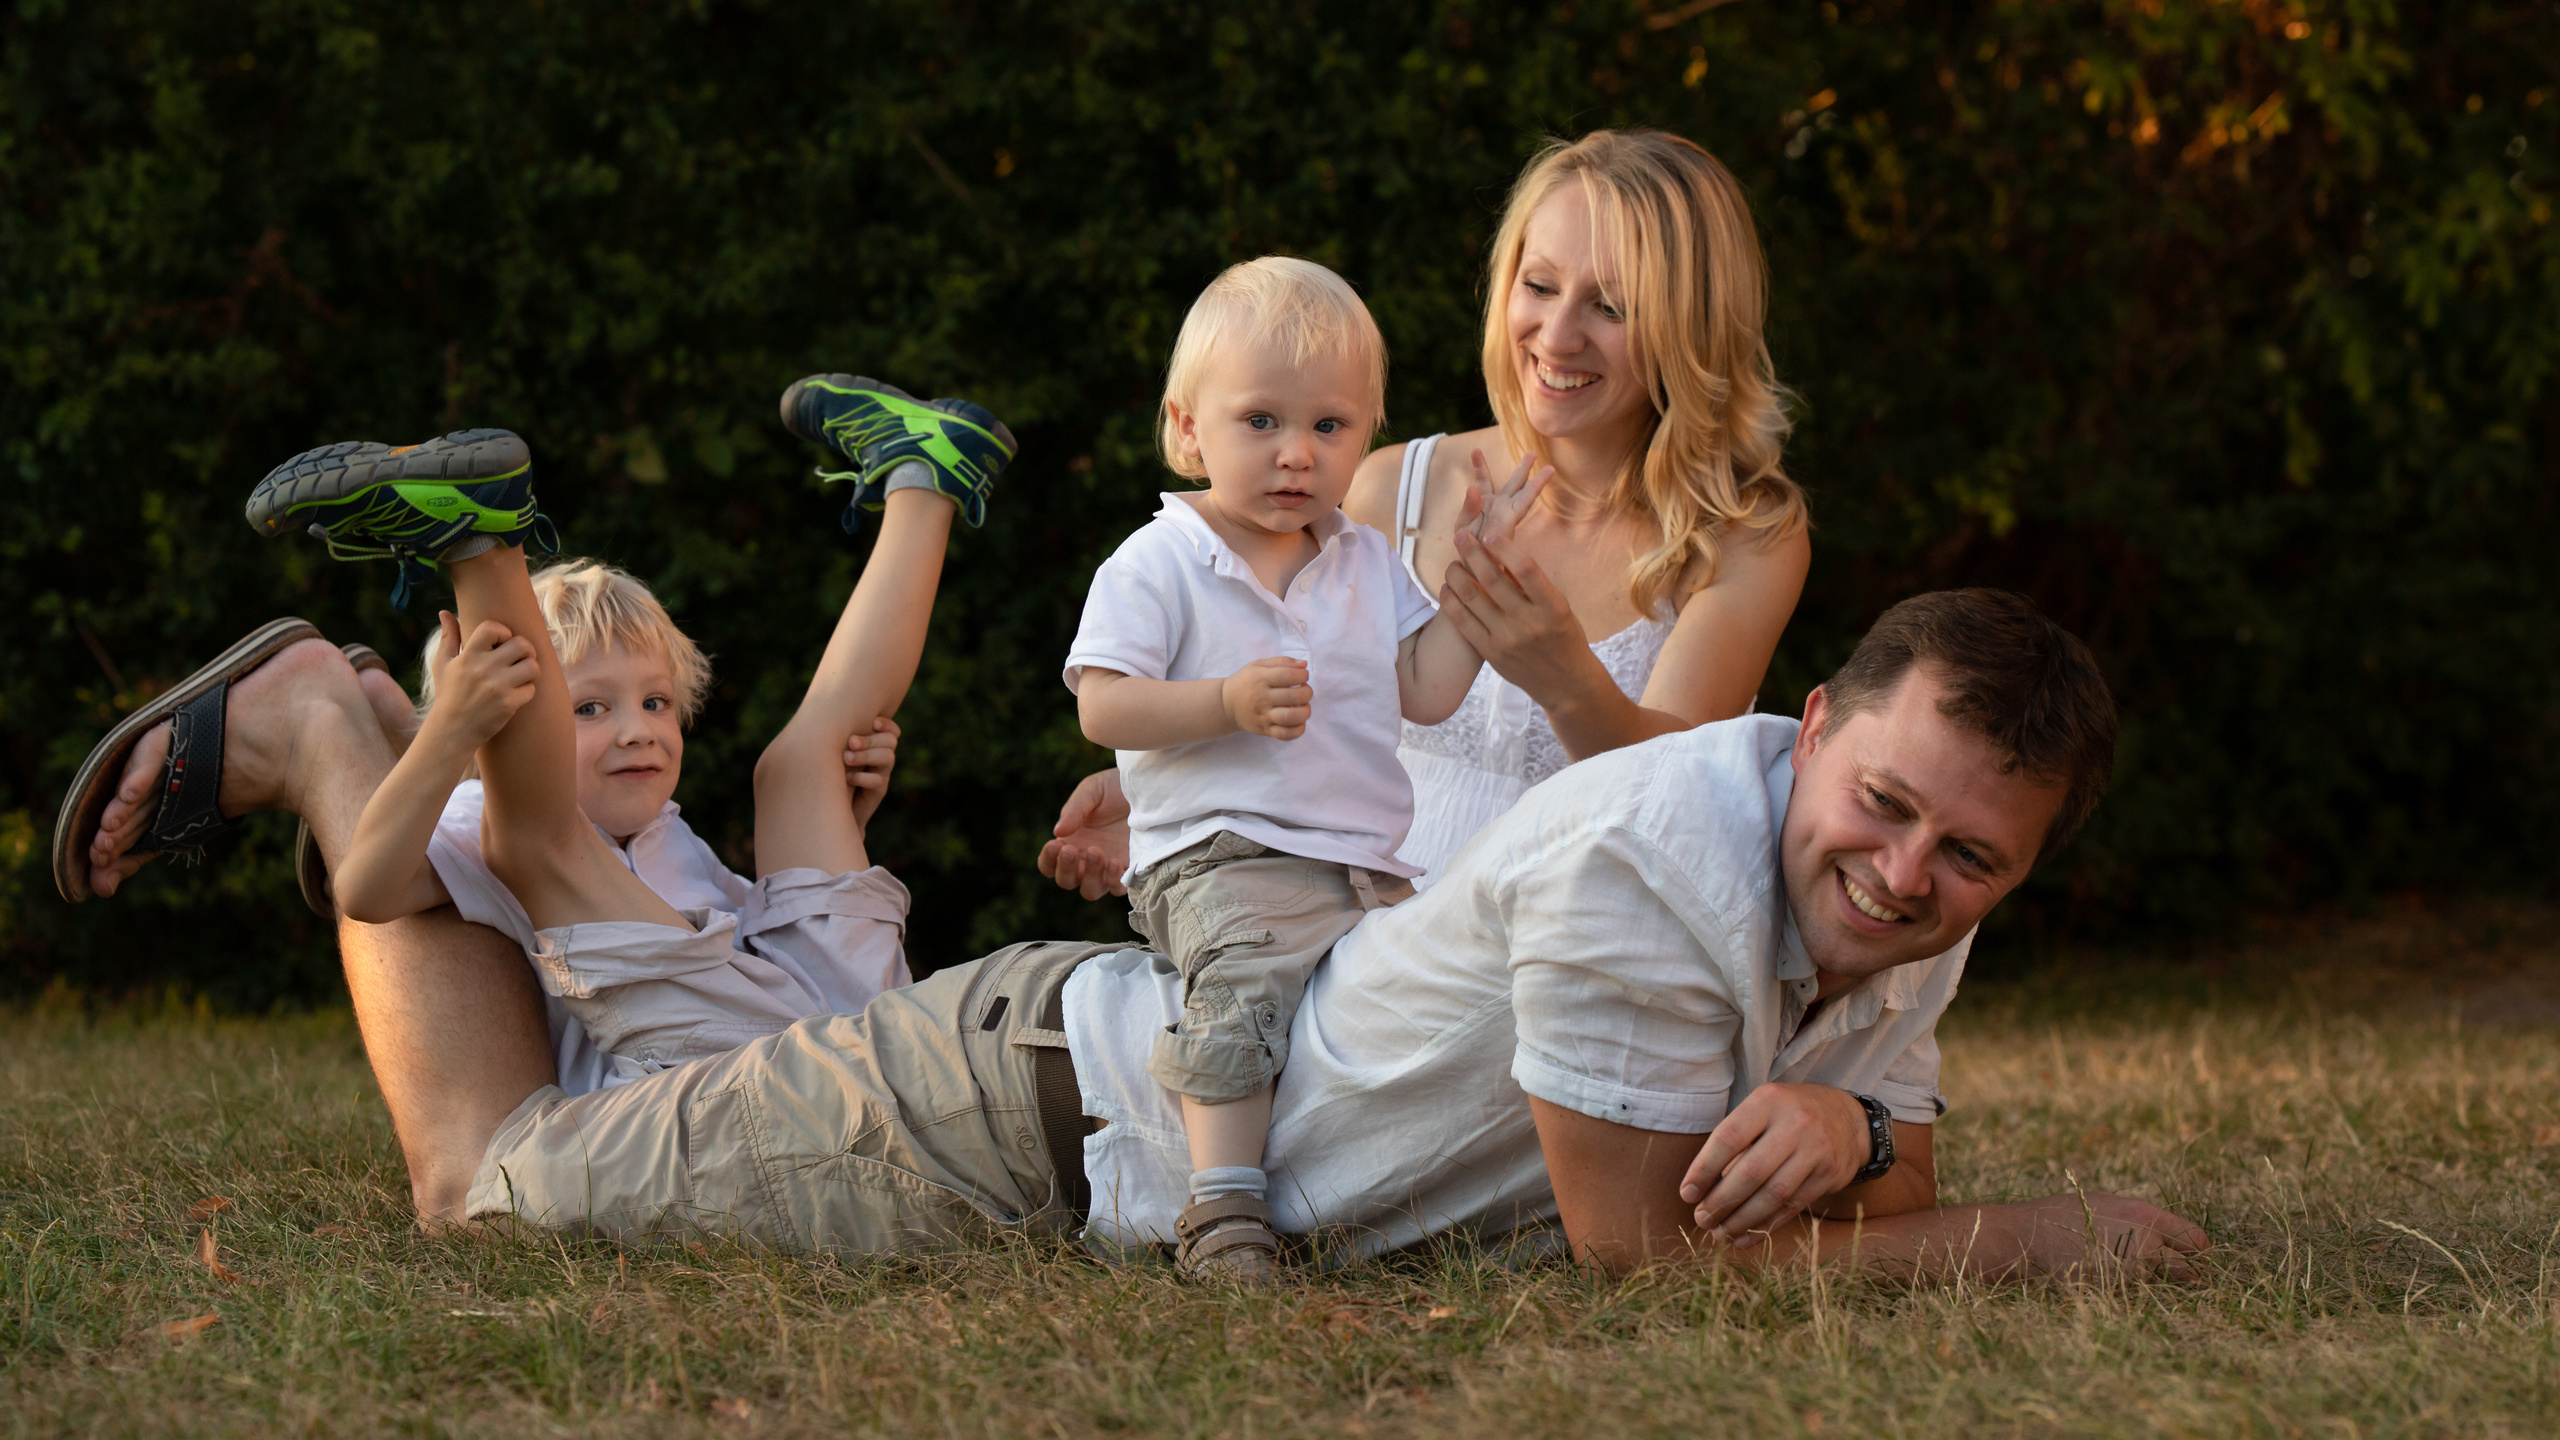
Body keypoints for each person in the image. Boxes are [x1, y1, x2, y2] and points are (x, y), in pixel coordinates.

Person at [64, 582, 2205, 1281]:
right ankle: (327, 740)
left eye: (1965, 863)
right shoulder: (1658, 851)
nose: (1903, 879)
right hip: (1007, 1115)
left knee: (584, 1070)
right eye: (1882, 809)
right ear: (1806, 726)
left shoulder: (1903, 886)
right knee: (484, 1183)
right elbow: (1645, 1264)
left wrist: (1848, 1149)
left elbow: (1875, 1147)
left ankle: (368, 742)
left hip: (1062, 1092)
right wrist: (2049, 1230)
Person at [1040, 129, 1812, 899]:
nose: (1558, 334)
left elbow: (1677, 801)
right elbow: (1303, 699)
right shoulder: (1387, 488)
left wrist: (1570, 679)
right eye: (1539, 286)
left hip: (1585, 952)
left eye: (1609, 305)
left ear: (1692, 326)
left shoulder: (1743, 536)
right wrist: (1166, 798)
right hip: (1357, 939)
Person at [246, 379, 1013, 1087]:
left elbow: (766, 959)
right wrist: (449, 734)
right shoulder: (483, 818)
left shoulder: (675, 839)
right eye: (588, 709)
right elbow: (366, 888)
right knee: (544, 827)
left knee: (797, 769)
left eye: (655, 704)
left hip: (834, 1031)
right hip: (735, 1069)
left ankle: (925, 472)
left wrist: (843, 826)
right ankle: (480, 541)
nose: (638, 731)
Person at [1065, 257, 1546, 1279]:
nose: (1296, 454)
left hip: (1369, 860)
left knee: (1392, 1019)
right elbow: (1101, 702)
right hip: (1221, 853)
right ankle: (1221, 1208)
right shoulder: (1158, 560)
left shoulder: (1365, 558)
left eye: (1329, 427)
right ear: (1187, 427)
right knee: (1243, 994)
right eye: (1260, 423)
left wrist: (1473, 583)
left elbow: (1424, 688)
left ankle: (1378, 1193)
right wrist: (1221, 703)